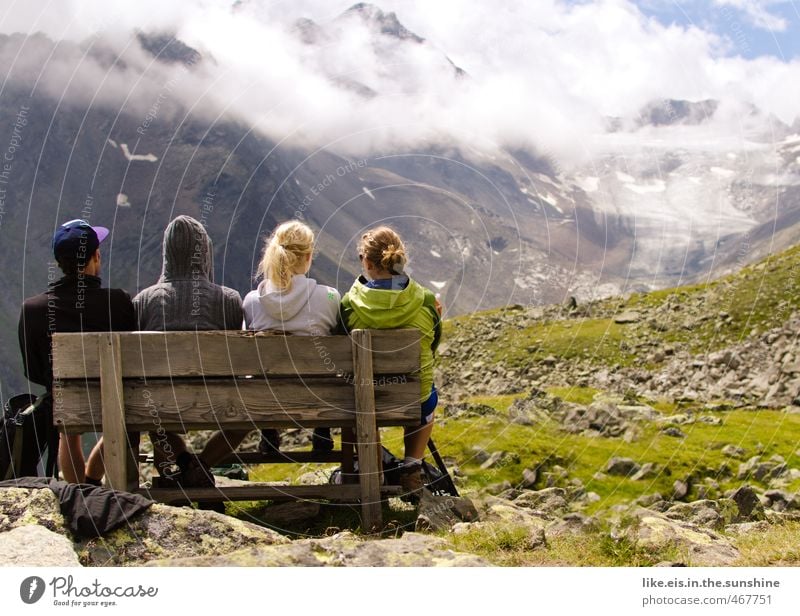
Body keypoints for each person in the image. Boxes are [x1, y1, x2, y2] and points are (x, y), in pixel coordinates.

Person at [18, 219, 137, 484]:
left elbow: (34, 370)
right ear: (96, 256)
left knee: (67, 426)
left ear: (60, 263)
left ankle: (79, 493)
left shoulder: (34, 309)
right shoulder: (119, 302)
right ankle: (93, 481)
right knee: (122, 412)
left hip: (66, 404)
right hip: (118, 401)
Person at [133, 215, 248, 487]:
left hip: (158, 404)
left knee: (151, 414)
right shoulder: (229, 300)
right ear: (204, 253)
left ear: (167, 254)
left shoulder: (144, 301)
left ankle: (182, 466)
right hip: (218, 403)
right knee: (246, 417)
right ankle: (200, 466)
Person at [339, 226, 441, 502]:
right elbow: (432, 344)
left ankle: (377, 468)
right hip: (413, 398)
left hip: (365, 397)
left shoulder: (349, 305)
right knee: (427, 399)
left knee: (360, 401)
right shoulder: (428, 302)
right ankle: (411, 466)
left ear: (368, 263)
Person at [243, 220, 341, 453]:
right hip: (320, 400)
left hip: (266, 403)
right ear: (308, 257)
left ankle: (268, 432)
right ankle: (322, 429)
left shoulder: (252, 301)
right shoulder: (329, 298)